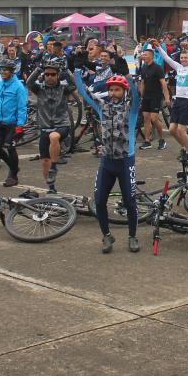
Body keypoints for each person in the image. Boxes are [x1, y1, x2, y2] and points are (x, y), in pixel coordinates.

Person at [74, 70, 142, 253]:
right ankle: (106, 236)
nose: (113, 93)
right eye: (111, 90)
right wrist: (77, 75)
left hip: (125, 162)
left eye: (117, 90)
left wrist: (129, 81)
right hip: (107, 162)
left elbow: (136, 97)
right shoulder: (102, 107)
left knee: (129, 201)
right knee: (99, 200)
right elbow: (85, 94)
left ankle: (132, 236)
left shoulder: (131, 110)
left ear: (124, 92)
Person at [27, 61, 74, 189]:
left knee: (54, 137)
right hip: (45, 127)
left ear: (58, 75)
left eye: (53, 74)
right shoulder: (39, 89)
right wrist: (38, 68)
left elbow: (74, 84)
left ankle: (54, 167)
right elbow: (29, 83)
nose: (50, 77)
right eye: (47, 74)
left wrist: (67, 70)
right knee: (44, 162)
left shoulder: (64, 89)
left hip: (62, 125)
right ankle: (51, 188)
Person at [155, 41, 188, 161]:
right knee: (172, 130)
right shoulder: (178, 67)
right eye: (182, 58)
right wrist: (157, 47)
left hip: (187, 101)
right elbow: (166, 58)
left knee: (180, 129)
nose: (184, 59)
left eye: (186, 58)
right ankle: (185, 147)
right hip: (177, 101)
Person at [0, 58, 27, 187]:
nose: (2, 72)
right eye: (1, 70)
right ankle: (14, 167)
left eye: (5, 70)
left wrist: (20, 125)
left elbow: (22, 107)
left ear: (12, 71)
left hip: (12, 124)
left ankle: (13, 175)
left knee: (10, 147)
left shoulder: (19, 87)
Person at [135, 47, 168, 150]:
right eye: (143, 55)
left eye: (145, 55)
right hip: (146, 97)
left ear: (151, 56)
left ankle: (162, 140)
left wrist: (167, 97)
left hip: (156, 96)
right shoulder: (144, 67)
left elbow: (163, 84)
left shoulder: (158, 68)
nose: (143, 56)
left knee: (154, 118)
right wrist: (141, 95)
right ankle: (147, 141)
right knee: (146, 118)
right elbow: (143, 83)